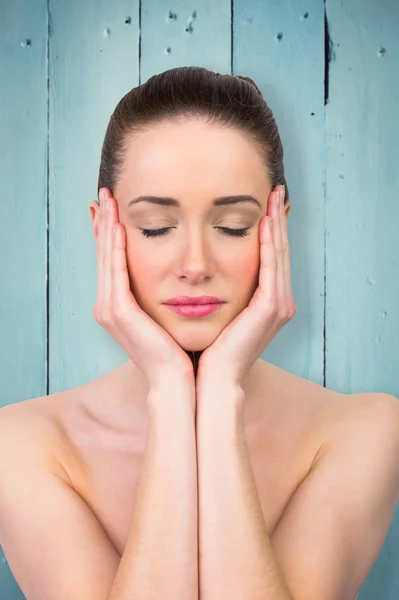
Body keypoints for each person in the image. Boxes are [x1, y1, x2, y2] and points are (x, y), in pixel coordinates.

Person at [1, 66, 399, 600]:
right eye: (156, 227)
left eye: (233, 226)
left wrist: (218, 398)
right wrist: (169, 391)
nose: (195, 264)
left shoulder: (365, 432)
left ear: (278, 228)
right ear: (104, 229)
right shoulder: (19, 446)